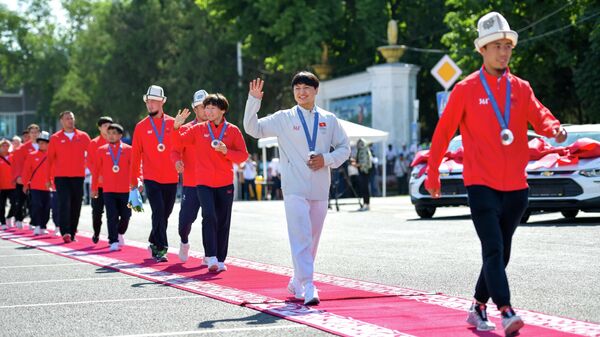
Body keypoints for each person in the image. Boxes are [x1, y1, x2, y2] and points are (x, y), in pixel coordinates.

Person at [424, 12, 567, 336]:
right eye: (496, 46)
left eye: (507, 46)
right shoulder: (465, 89)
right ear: (482, 50)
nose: (503, 51)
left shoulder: (520, 88)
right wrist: (432, 174)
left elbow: (540, 116)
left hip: (516, 186)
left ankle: (476, 306)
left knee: (502, 252)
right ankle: (506, 310)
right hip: (480, 183)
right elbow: (442, 133)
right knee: (492, 249)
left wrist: (553, 129)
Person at [244, 72, 350, 305]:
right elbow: (253, 128)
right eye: (297, 88)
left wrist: (326, 158)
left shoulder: (329, 119)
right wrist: (254, 100)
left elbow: (345, 148)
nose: (301, 92)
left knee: (312, 239)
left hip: (321, 187)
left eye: (306, 88)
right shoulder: (284, 118)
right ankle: (310, 285)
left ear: (316, 91)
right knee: (300, 235)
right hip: (294, 187)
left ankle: (297, 281)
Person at [174, 93, 249, 272]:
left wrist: (226, 151)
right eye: (206, 108)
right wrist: (176, 127)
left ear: (222, 110)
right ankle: (211, 256)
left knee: (223, 220)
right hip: (203, 182)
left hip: (225, 183)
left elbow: (243, 156)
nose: (208, 111)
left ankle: (221, 259)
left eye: (212, 108)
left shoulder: (232, 131)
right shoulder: (198, 129)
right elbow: (178, 142)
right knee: (209, 217)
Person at [130, 85, 179, 262]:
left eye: (153, 101)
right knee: (158, 211)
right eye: (148, 102)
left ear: (162, 102)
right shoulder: (141, 127)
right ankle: (160, 248)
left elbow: (182, 147)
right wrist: (133, 183)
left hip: (171, 177)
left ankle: (153, 239)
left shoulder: (174, 123)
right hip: (151, 178)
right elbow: (135, 156)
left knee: (165, 213)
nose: (150, 105)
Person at [171, 89, 208, 262]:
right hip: (191, 183)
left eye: (208, 106)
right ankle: (184, 241)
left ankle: (210, 254)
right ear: (195, 109)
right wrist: (177, 161)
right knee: (185, 221)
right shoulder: (185, 129)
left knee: (210, 220)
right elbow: (175, 150)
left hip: (212, 184)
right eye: (201, 107)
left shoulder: (219, 129)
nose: (206, 110)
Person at [47, 111, 91, 243]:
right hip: (61, 177)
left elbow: (93, 154)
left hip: (78, 176)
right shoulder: (55, 138)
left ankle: (72, 232)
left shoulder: (83, 136)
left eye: (71, 118)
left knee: (76, 205)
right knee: (64, 203)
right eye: (67, 119)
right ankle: (65, 231)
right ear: (61, 121)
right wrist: (47, 179)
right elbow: (49, 160)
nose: (70, 121)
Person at [92, 124, 132, 251]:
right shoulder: (101, 150)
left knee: (126, 215)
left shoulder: (129, 150)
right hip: (108, 190)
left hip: (126, 189)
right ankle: (113, 240)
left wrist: (138, 183)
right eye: (109, 133)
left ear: (120, 135)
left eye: (114, 133)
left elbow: (136, 169)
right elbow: (96, 171)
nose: (111, 135)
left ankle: (120, 232)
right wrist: (94, 188)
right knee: (111, 215)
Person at [87, 116, 114, 244]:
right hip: (98, 185)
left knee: (113, 212)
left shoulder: (115, 141)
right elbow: (90, 163)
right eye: (104, 126)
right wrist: (98, 175)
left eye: (109, 125)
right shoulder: (94, 143)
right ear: (99, 128)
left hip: (114, 185)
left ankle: (113, 237)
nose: (107, 128)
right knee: (97, 212)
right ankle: (96, 233)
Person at [21, 131, 51, 235]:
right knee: (36, 205)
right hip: (35, 186)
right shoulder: (31, 155)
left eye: (45, 142)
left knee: (47, 208)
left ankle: (43, 226)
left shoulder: (52, 156)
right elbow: (26, 171)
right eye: (40, 142)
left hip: (49, 186)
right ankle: (37, 225)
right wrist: (25, 184)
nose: (42, 144)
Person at [11, 124, 41, 229]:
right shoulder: (23, 148)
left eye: (36, 132)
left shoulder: (43, 146)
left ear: (39, 133)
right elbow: (18, 164)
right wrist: (18, 177)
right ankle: (18, 218)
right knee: (20, 200)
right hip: (23, 179)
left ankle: (33, 222)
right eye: (32, 132)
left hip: (37, 179)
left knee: (33, 202)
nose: (34, 134)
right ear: (29, 134)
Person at [0, 139, 16, 230]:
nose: (5, 147)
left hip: (12, 185)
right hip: (1, 186)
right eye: (3, 145)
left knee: (15, 204)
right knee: (1, 205)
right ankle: (2, 222)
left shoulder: (12, 156)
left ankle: (9, 217)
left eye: (7, 145)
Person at [354, 138, 372, 211]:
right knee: (364, 188)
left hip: (364, 171)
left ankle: (366, 204)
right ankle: (365, 204)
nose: (358, 144)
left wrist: (356, 165)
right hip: (363, 171)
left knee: (365, 189)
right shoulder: (362, 150)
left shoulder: (364, 150)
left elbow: (363, 163)